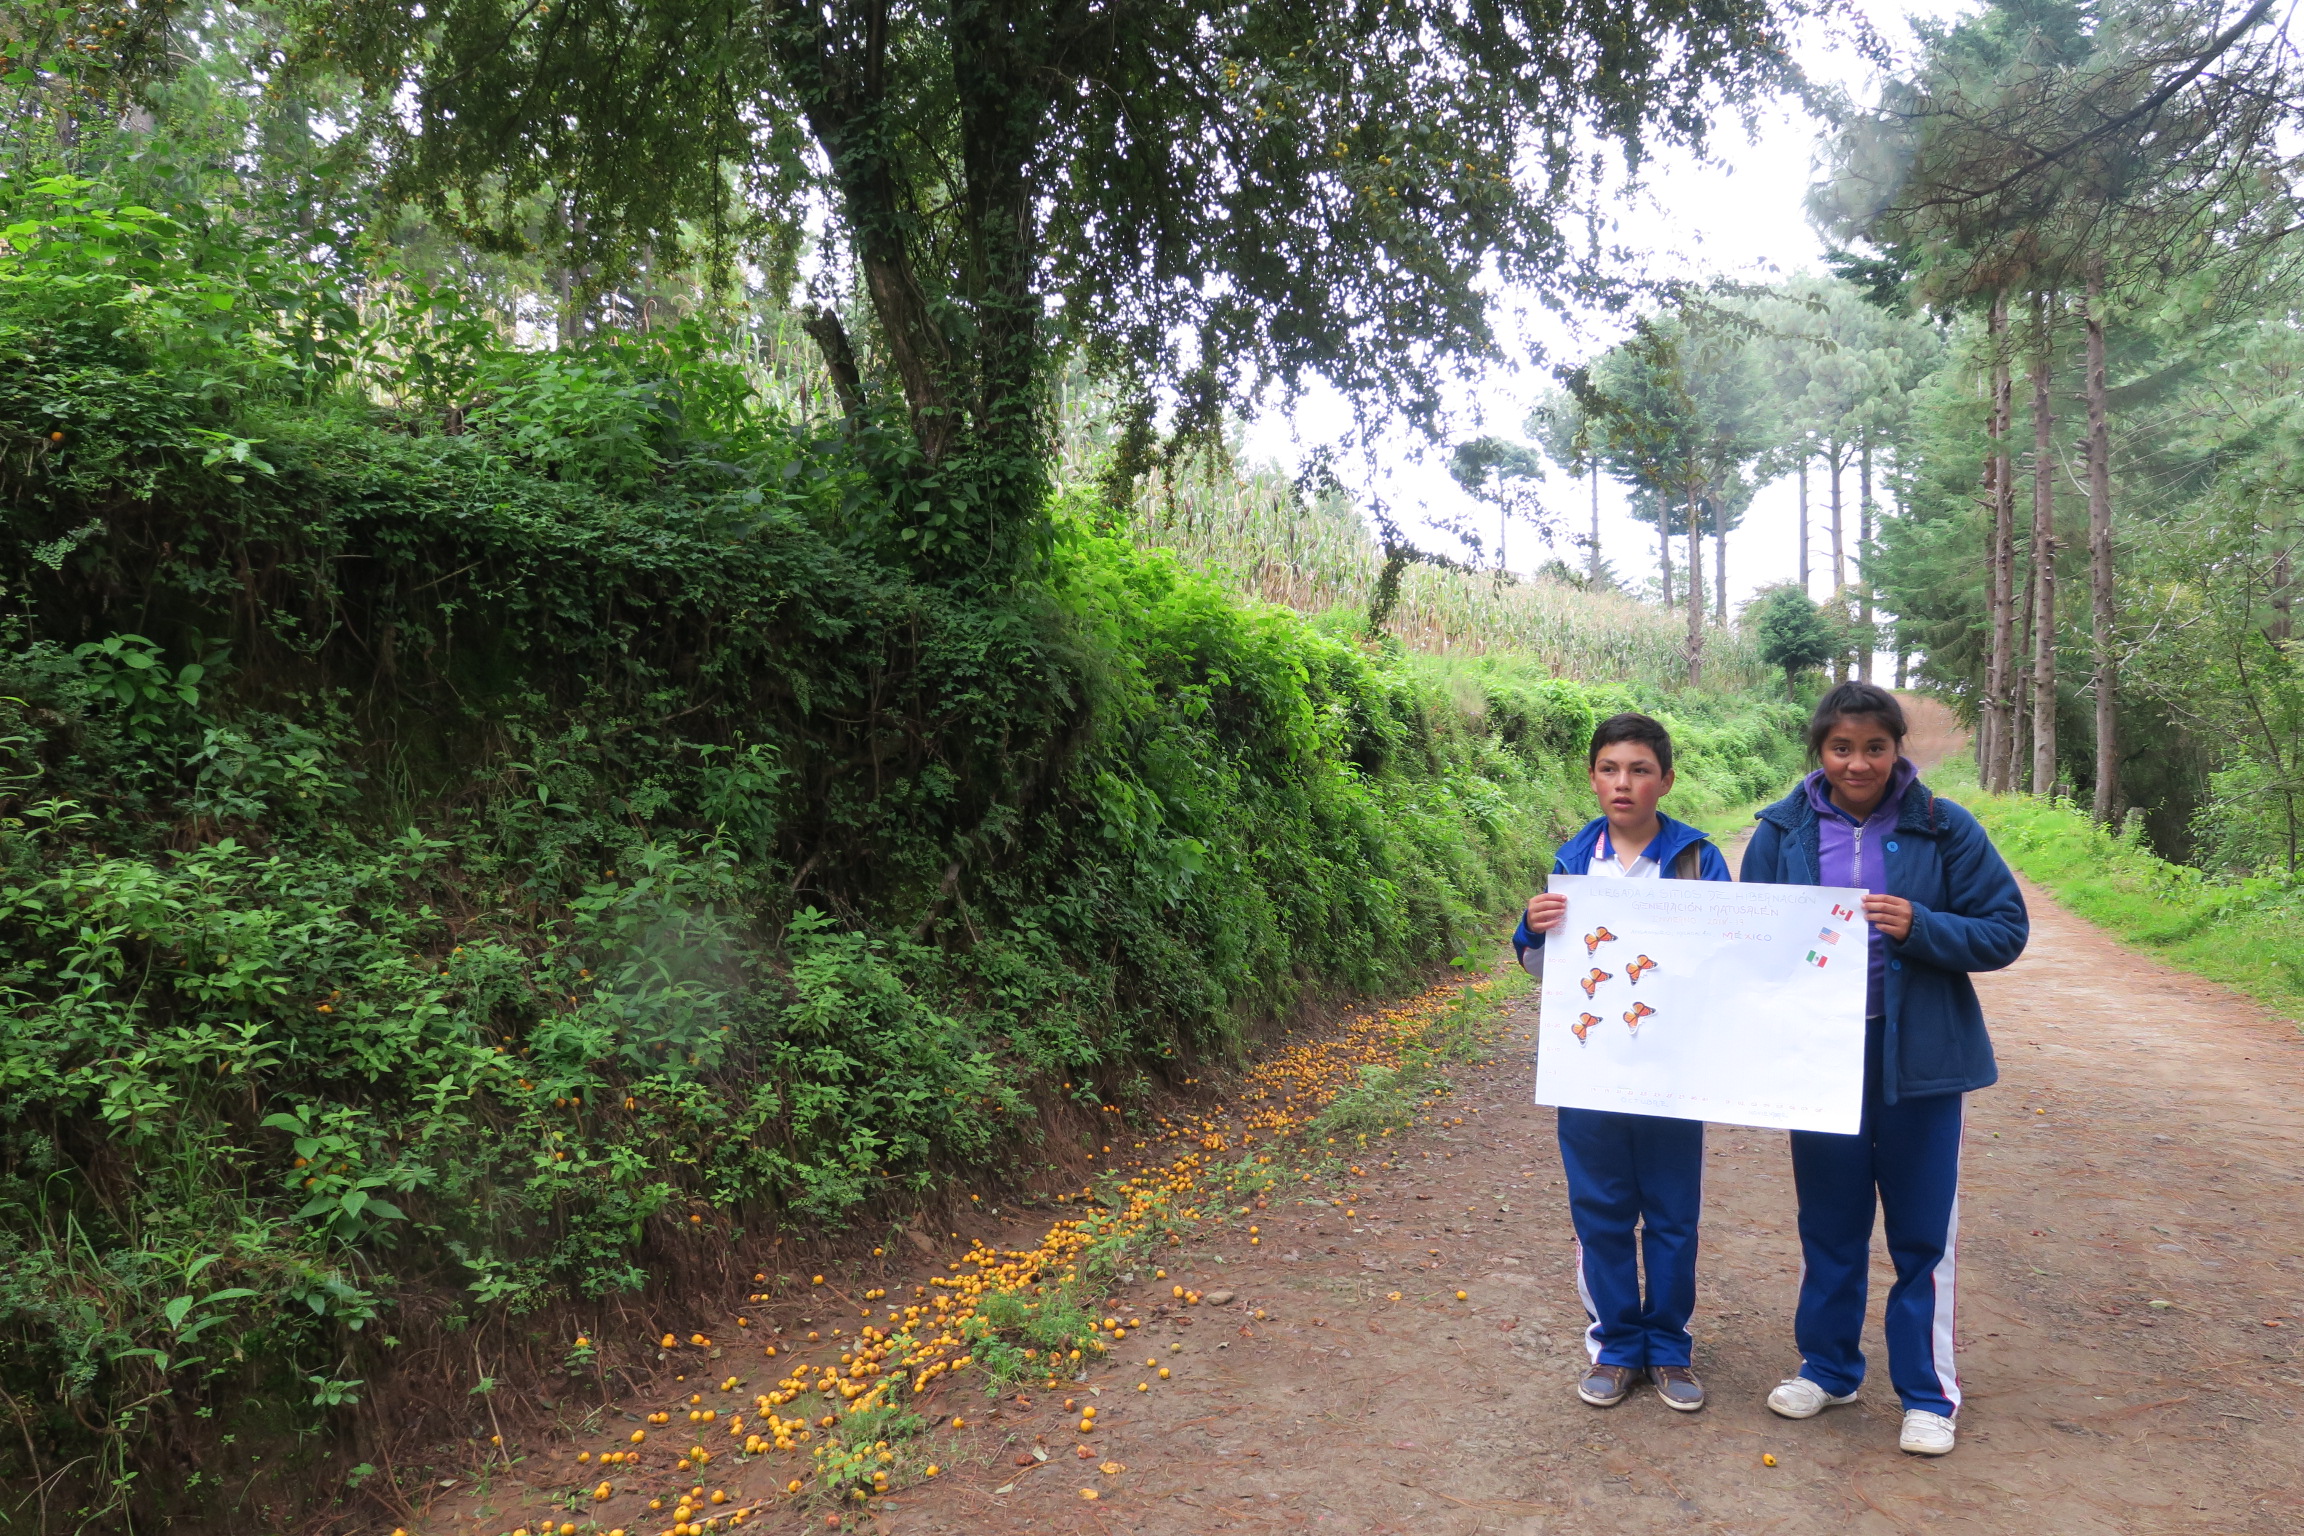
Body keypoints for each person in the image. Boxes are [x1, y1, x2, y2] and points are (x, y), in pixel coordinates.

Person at [1741, 681, 2028, 1457]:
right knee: (1829, 1223)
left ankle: (1927, 1395)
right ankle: (1829, 1368)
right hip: (1819, 1060)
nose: (1858, 763)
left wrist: (1921, 925)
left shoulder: (1943, 826)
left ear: (1897, 749)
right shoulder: (1782, 830)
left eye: (1874, 747)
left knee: (1920, 1234)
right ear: (1820, 752)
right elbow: (1750, 942)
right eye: (1842, 748)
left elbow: (2005, 929)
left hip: (1922, 1061)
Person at [1515, 711, 1732, 1413]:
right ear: (1591, 778)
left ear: (1665, 780)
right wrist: (1534, 928)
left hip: (1673, 1071)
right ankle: (1614, 1347)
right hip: (1591, 1071)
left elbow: (1732, 960)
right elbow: (1539, 967)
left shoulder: (1698, 860)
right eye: (1609, 769)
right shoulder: (1575, 860)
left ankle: (1667, 1346)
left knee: (1672, 1214)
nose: (1623, 783)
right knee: (1600, 1210)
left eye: (1640, 770)